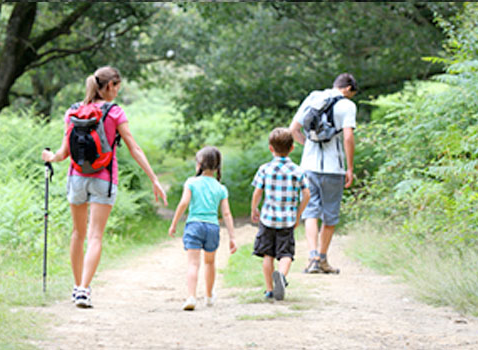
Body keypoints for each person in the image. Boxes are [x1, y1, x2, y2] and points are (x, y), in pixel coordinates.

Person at [42, 66, 168, 308]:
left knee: (77, 234)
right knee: (95, 235)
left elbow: (63, 152)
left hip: (76, 178)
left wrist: (50, 157)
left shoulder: (73, 112)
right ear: (109, 86)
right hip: (104, 178)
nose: (118, 92)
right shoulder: (114, 112)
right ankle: (84, 289)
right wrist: (153, 178)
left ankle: (77, 287)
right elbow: (134, 147)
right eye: (117, 87)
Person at [289, 73, 358, 274]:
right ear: (347, 89)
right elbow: (348, 137)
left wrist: (308, 145)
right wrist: (350, 167)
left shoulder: (313, 98)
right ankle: (323, 259)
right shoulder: (347, 105)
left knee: (311, 212)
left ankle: (312, 257)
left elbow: (293, 129)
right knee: (330, 215)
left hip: (308, 166)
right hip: (333, 168)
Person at [168, 146, 237, 311]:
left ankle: (191, 296)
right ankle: (208, 296)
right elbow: (226, 213)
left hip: (194, 225)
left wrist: (174, 223)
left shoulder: (191, 182)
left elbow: (184, 203)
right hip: (212, 227)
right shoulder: (221, 188)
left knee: (193, 264)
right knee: (210, 262)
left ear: (199, 164)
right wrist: (232, 237)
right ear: (217, 167)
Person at [250, 128, 310, 301]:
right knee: (286, 254)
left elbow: (257, 192)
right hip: (288, 220)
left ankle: (269, 289)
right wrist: (298, 214)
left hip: (268, 219)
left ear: (271, 148)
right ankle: (281, 277)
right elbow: (307, 194)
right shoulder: (297, 171)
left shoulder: (265, 169)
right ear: (292, 148)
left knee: (267, 255)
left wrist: (254, 209)